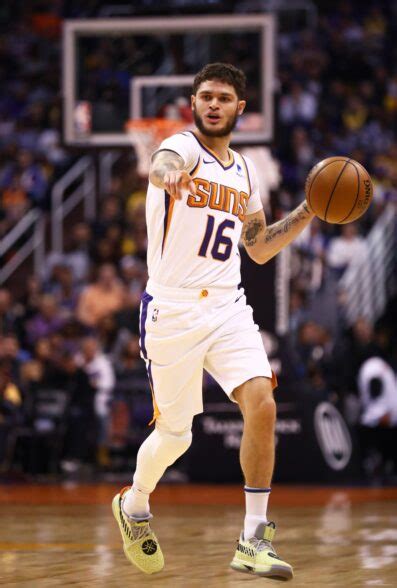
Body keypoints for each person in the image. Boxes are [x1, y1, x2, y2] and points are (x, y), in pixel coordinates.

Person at [112, 63, 315, 580]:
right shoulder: (180, 148)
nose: (213, 104)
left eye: (224, 97)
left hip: (227, 305)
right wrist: (169, 175)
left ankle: (253, 539)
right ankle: (134, 505)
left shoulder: (245, 171)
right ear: (194, 103)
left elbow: (260, 247)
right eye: (205, 96)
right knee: (177, 437)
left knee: (262, 402)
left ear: (240, 107)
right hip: (172, 309)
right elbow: (160, 163)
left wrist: (310, 209)